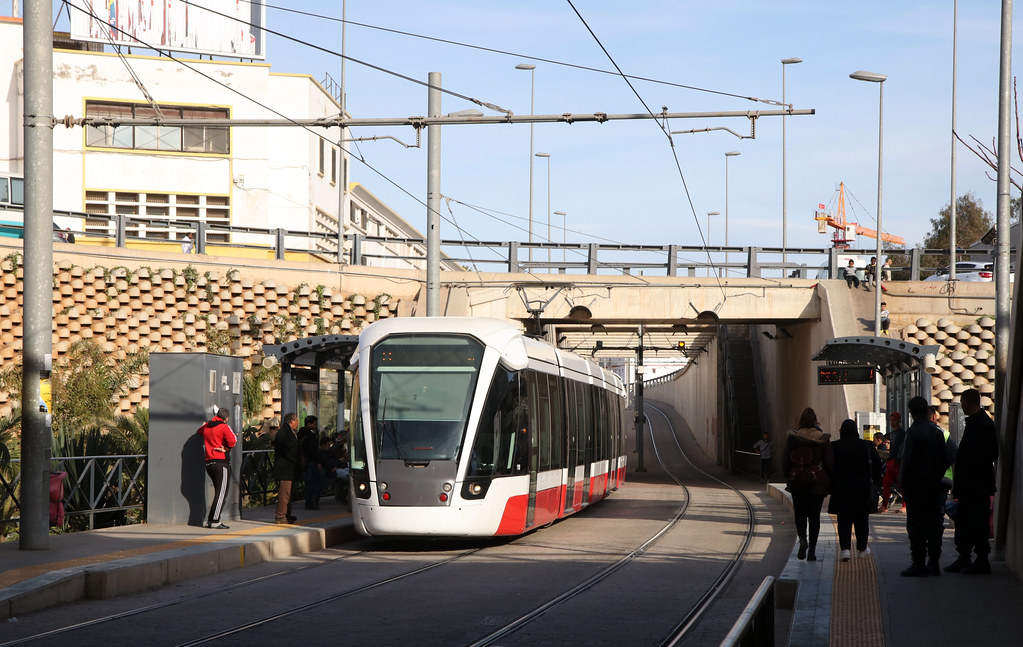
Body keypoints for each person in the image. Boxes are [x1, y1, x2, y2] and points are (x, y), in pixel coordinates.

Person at [899, 396, 955, 576]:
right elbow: (947, 458)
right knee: (934, 524)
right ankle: (934, 562)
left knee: (916, 525)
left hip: (916, 488)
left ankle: (918, 563)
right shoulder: (937, 432)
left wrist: (905, 484)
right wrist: (937, 474)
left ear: (912, 412)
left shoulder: (913, 432)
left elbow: (906, 462)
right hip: (936, 486)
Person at [945, 388, 999, 574]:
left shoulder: (983, 424)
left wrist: (970, 464)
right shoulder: (975, 422)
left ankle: (980, 559)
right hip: (970, 485)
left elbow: (991, 453)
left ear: (967, 402)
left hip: (977, 485)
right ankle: (965, 556)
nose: (962, 406)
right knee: (965, 522)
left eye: (962, 403)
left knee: (977, 522)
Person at [783, 407, 834, 561]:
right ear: (815, 420)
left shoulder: (793, 438)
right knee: (814, 516)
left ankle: (802, 540)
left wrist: (789, 476)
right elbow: (829, 462)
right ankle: (812, 550)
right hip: (816, 483)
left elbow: (785, 461)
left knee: (800, 514)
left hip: (797, 482)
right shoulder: (822, 438)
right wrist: (830, 479)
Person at [829, 419, 883, 561]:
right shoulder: (866, 445)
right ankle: (861, 549)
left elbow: (829, 468)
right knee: (862, 519)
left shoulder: (834, 446)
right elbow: (877, 466)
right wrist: (876, 485)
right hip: (863, 488)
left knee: (843, 519)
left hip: (841, 488)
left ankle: (845, 549)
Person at [196, 408, 237, 529]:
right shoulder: (224, 427)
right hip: (221, 463)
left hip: (209, 463)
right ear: (227, 418)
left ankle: (210, 520)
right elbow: (233, 440)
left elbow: (199, 431)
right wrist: (226, 448)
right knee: (221, 493)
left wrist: (205, 424)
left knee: (218, 492)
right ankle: (215, 520)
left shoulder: (207, 426)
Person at [273, 412, 301, 524]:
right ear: (291, 421)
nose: (298, 423)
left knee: (288, 493)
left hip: (289, 469)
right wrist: (297, 460)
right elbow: (289, 451)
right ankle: (280, 516)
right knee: (285, 493)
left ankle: (286, 514)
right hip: (285, 469)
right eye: (297, 420)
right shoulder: (285, 433)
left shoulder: (287, 432)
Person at [881, 412, 905, 513]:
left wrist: (898, 459)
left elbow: (901, 448)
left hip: (897, 461)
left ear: (898, 420)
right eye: (890, 420)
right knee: (886, 483)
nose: (891, 422)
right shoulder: (893, 434)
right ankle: (884, 505)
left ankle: (905, 505)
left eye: (893, 419)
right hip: (891, 461)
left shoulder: (901, 433)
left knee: (901, 484)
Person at [298, 415, 322, 510]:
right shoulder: (309, 436)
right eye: (314, 424)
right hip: (311, 461)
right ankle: (312, 501)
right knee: (314, 482)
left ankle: (309, 501)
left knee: (310, 482)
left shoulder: (301, 434)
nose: (316, 426)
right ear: (309, 424)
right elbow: (312, 450)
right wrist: (318, 461)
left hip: (305, 461)